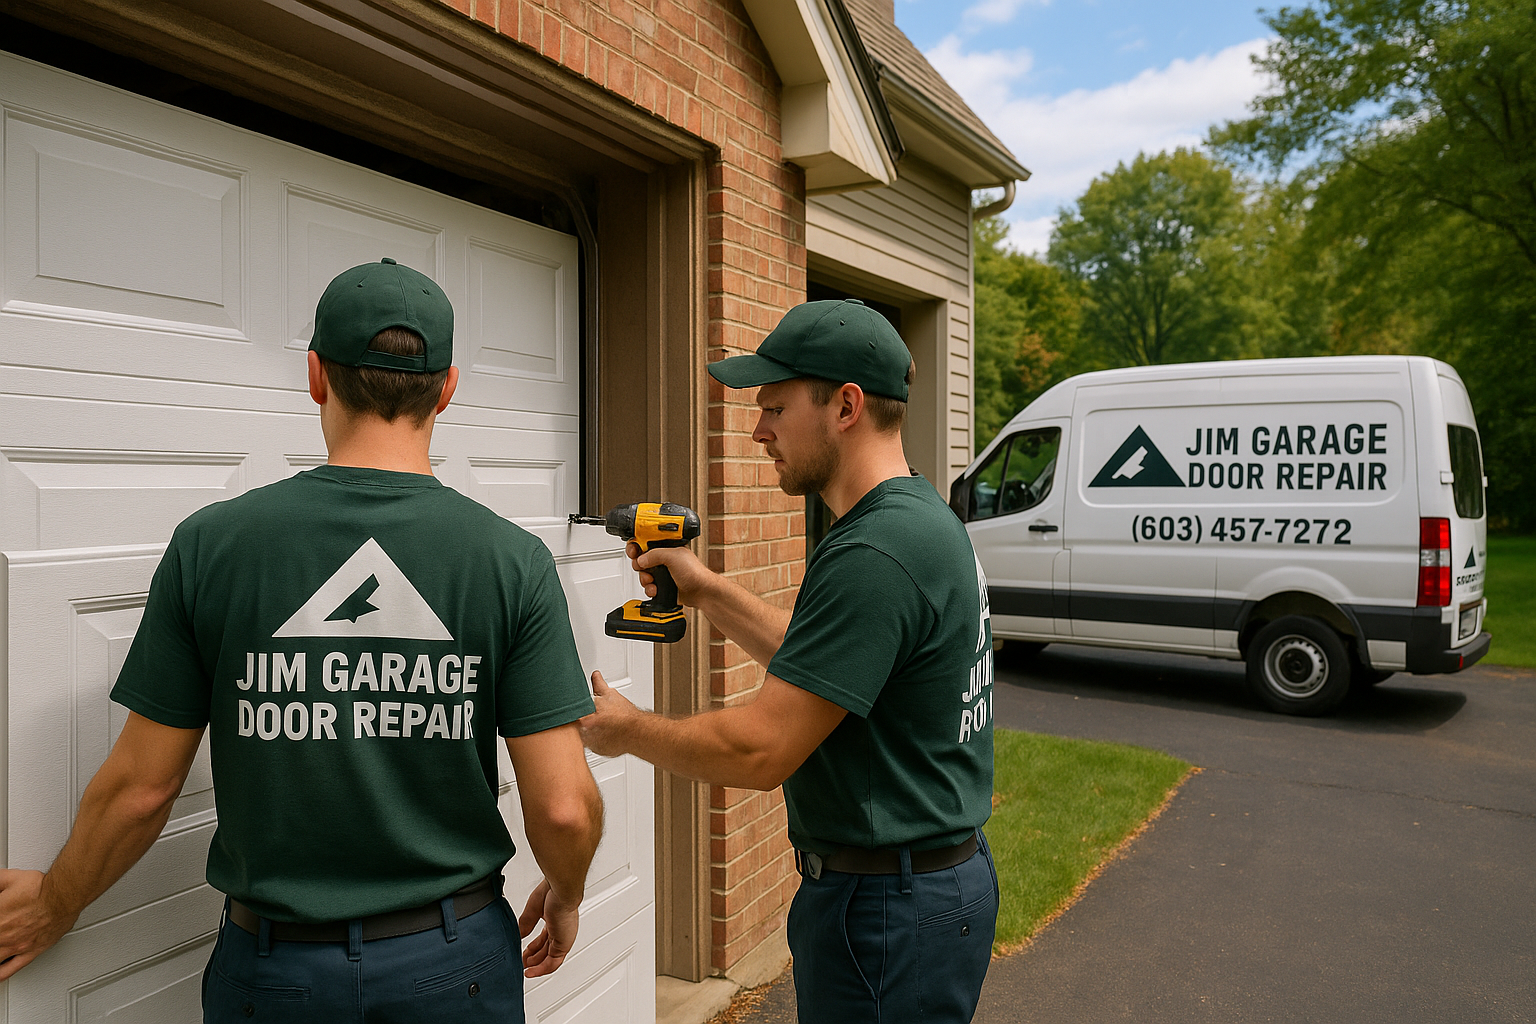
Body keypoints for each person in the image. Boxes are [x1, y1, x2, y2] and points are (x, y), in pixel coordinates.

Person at [0, 258, 603, 1022]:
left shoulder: (212, 546)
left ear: (316, 374)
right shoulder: (511, 561)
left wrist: (55, 901)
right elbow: (564, 810)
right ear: (447, 389)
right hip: (455, 965)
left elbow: (141, 789)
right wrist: (567, 892)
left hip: (275, 970)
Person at [581, 298, 999, 1022]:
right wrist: (705, 589)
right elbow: (834, 666)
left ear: (846, 406)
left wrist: (627, 730)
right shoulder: (920, 521)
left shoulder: (876, 551)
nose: (758, 431)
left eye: (775, 408)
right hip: (922, 886)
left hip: (888, 910)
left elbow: (760, 750)